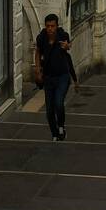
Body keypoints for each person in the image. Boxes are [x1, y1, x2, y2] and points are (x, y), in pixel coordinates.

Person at [34, 12, 78, 140]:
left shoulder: (62, 35)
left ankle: (61, 126)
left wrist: (66, 46)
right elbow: (38, 52)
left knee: (58, 102)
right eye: (48, 26)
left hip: (62, 76)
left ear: (57, 26)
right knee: (49, 110)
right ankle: (54, 134)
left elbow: (68, 46)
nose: (50, 29)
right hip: (48, 78)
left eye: (52, 26)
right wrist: (37, 69)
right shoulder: (41, 37)